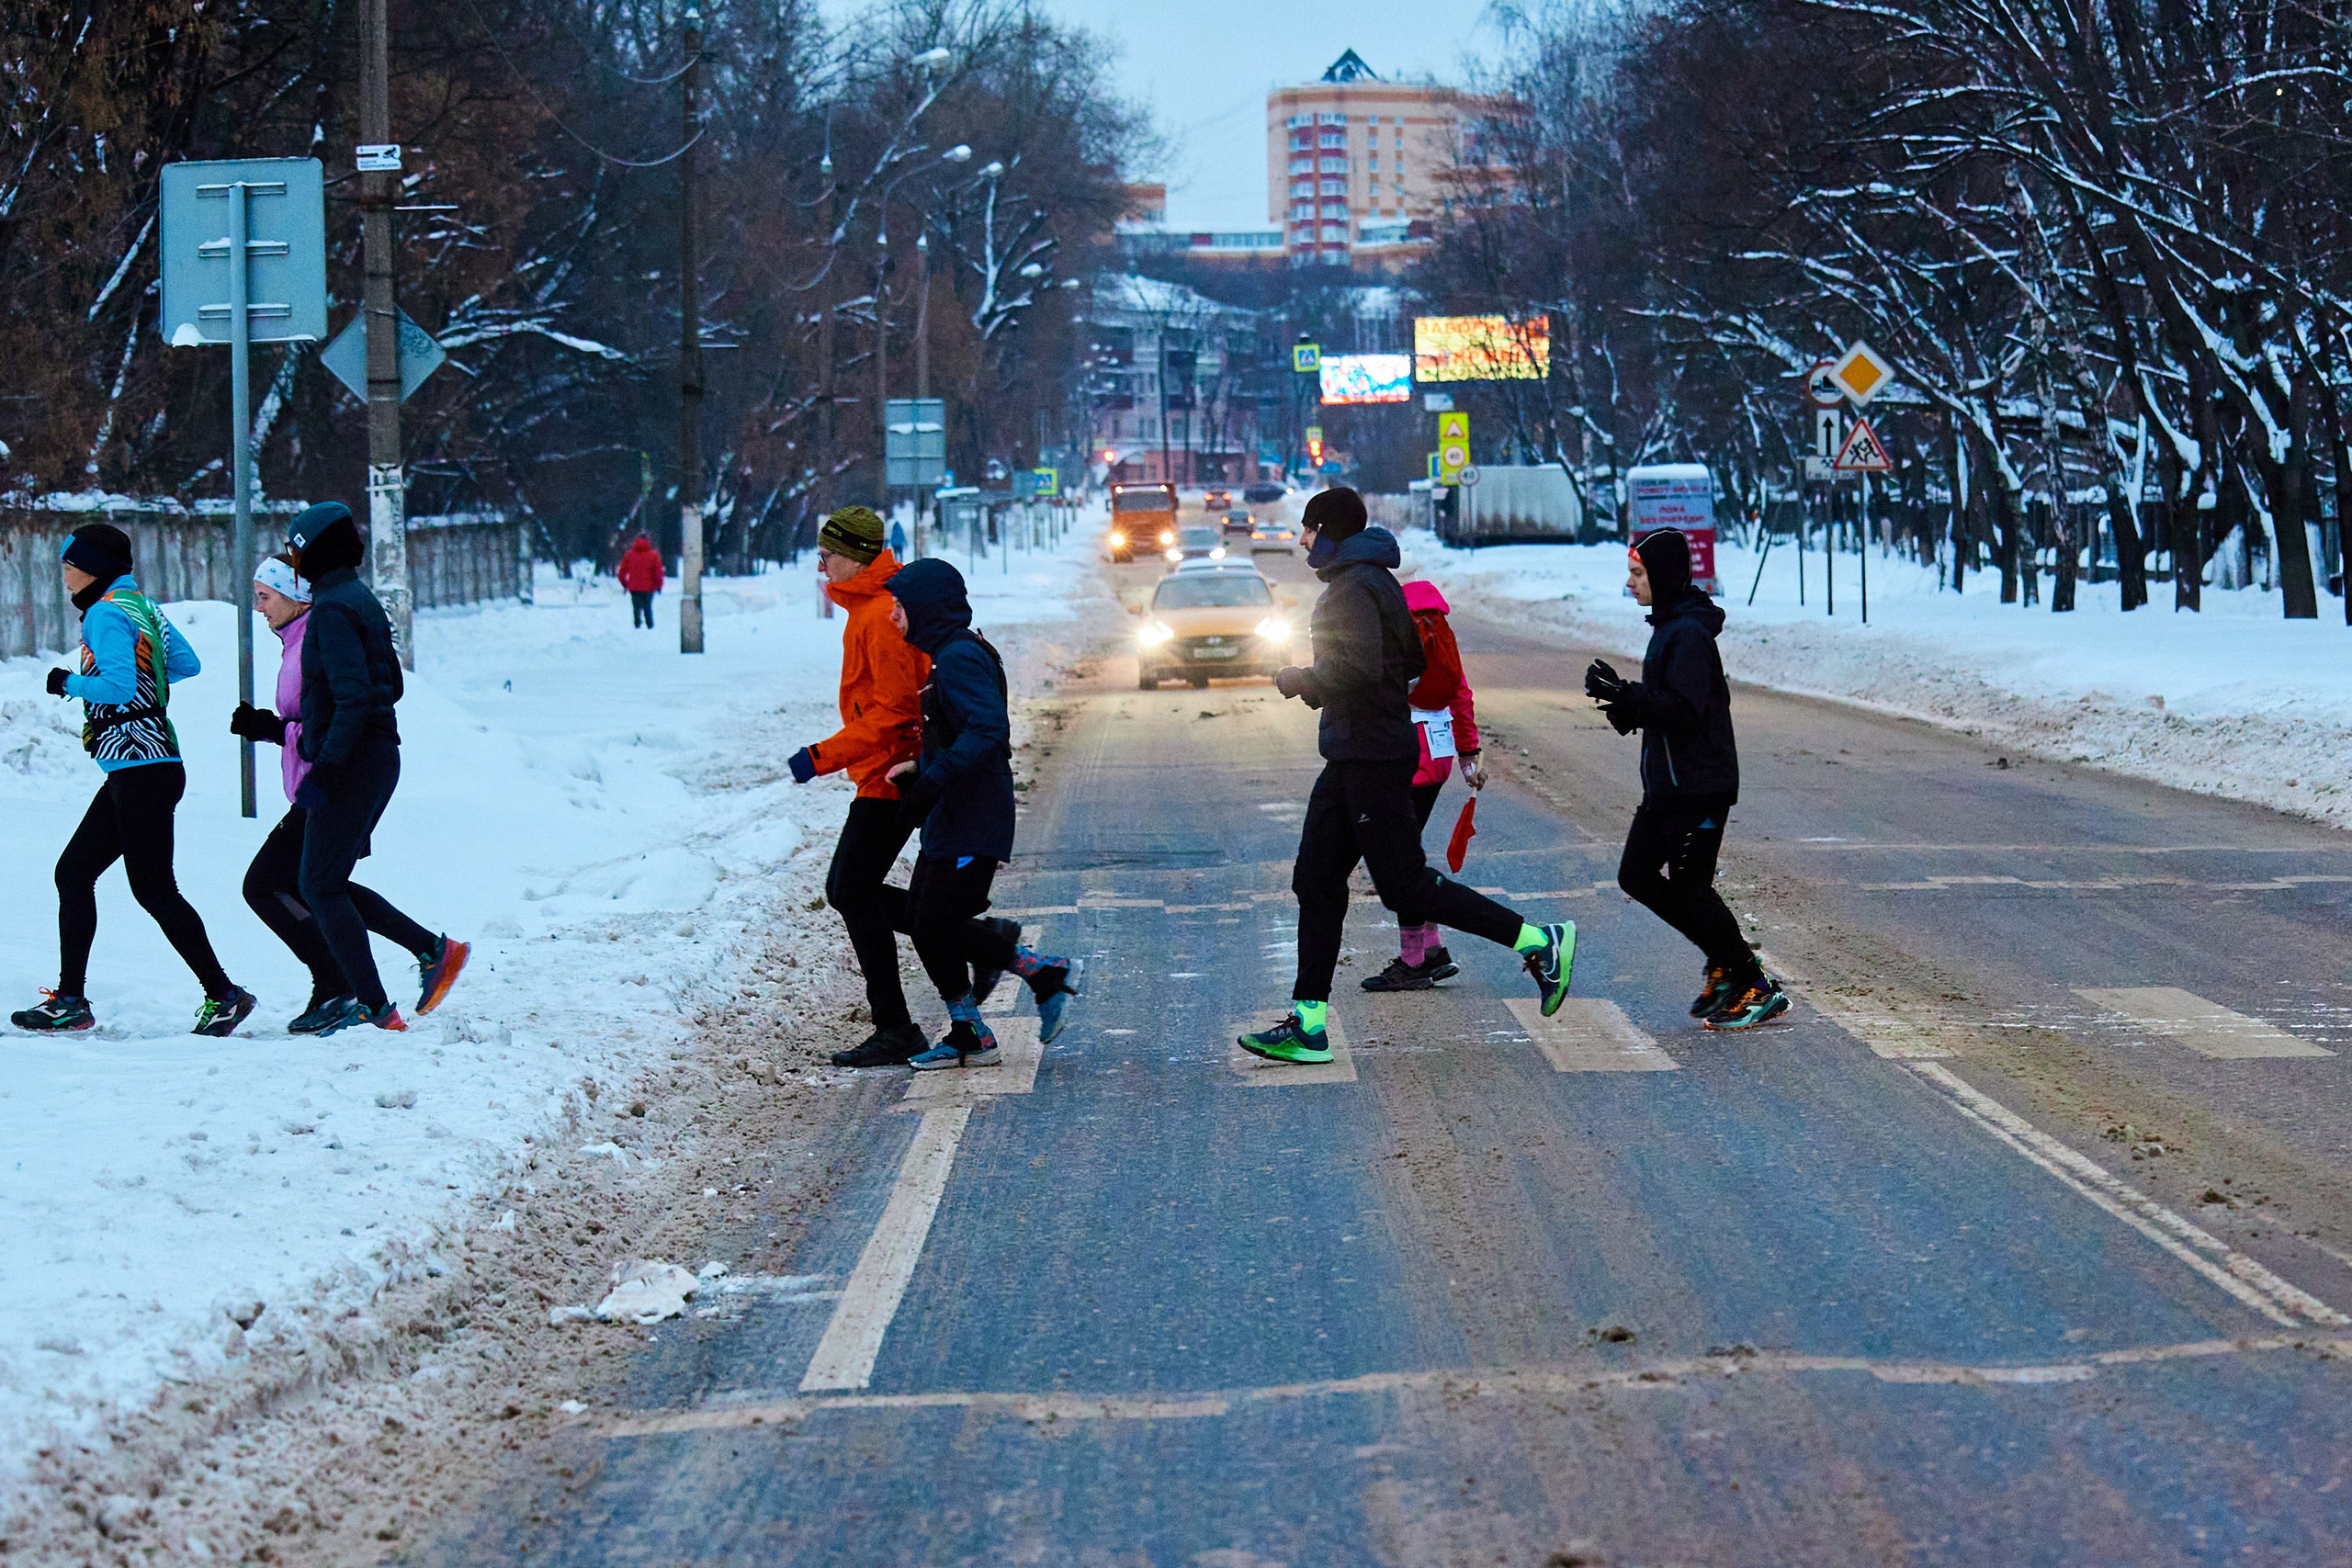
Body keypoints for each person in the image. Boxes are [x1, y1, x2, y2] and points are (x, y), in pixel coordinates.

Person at [1241, 489, 1572, 1065]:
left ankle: (1539, 942)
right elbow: (1411, 663)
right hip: (1354, 755)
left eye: (1309, 528)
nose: (1302, 539)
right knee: (1315, 879)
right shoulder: (1379, 581)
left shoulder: (1351, 589)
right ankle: (1309, 1025)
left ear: (1330, 531)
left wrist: (1302, 680)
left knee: (1404, 886)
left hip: (1369, 758)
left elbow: (1357, 668)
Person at [12, 524, 255, 1035]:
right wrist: (146, 681)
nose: (64, 576)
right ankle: (71, 999)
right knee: (75, 873)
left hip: (140, 767)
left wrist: (67, 682)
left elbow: (119, 687)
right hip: (147, 765)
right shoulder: (140, 606)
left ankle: (225, 995)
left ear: (92, 569)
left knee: (154, 889)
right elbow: (185, 664)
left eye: (69, 566)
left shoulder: (104, 613)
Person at [231, 553, 469, 1032]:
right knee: (304, 881)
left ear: (296, 597)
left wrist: (273, 730)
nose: (258, 608)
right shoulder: (299, 638)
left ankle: (367, 999)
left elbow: (339, 715)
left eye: (264, 596)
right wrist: (273, 729)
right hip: (328, 775)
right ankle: (418, 956)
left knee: (297, 883)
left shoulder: (316, 638)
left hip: (338, 774)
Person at [784, 506, 975, 1068]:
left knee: (849, 889)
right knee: (854, 889)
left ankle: (899, 1022)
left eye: (827, 555)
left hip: (894, 773)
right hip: (885, 769)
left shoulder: (879, 615)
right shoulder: (870, 608)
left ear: (854, 555)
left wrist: (819, 758)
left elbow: (895, 712)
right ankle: (978, 944)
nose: (821, 566)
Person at [881, 558, 1082, 1069]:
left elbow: (988, 727)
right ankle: (979, 1019)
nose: (893, 616)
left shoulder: (958, 658)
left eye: (900, 606)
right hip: (954, 814)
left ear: (927, 608)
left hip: (972, 816)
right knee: (923, 919)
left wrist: (935, 778)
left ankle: (1034, 977)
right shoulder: (948, 655)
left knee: (933, 923)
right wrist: (921, 767)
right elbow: (960, 729)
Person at [1585, 527, 1788, 1030]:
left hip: (1698, 786)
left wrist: (1631, 696)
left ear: (1663, 575)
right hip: (1668, 787)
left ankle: (1753, 982)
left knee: (1692, 888)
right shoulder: (1670, 627)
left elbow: (1686, 709)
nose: (1630, 583)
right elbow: (1671, 705)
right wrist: (1629, 708)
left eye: (1638, 574)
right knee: (1635, 875)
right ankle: (1725, 961)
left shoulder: (1688, 635)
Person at [1362, 578, 1487, 992]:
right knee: (1406, 856)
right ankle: (1430, 950)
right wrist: (1468, 752)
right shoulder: (1441, 630)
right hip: (1437, 758)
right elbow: (1461, 693)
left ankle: (1415, 959)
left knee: (1399, 864)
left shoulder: (1396, 631)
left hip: (1401, 756)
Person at [616, 534, 664, 628]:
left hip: (634, 587)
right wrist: (659, 585)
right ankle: (649, 625)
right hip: (649, 587)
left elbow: (621, 573)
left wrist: (625, 584)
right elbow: (658, 572)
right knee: (648, 607)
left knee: (636, 608)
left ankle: (637, 625)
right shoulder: (653, 555)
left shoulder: (629, 555)